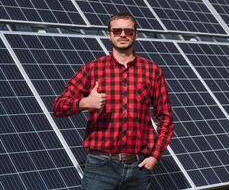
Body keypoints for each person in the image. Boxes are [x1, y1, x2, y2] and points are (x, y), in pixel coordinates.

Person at [52, 11, 175, 190]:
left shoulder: (152, 71)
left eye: (128, 31)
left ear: (136, 34)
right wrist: (83, 103)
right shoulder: (92, 69)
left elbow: (166, 119)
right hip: (100, 167)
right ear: (109, 34)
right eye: (117, 31)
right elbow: (58, 106)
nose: (123, 35)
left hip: (138, 168)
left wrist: (155, 156)